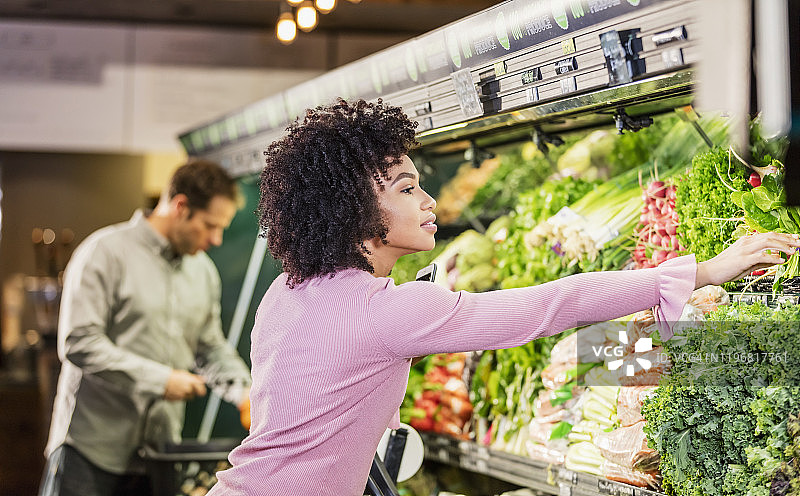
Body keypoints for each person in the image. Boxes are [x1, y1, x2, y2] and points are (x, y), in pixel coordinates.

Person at [208, 99, 800, 496]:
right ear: (352, 210)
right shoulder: (389, 311)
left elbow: (312, 405)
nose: (429, 202)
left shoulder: (284, 294)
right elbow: (549, 306)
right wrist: (700, 271)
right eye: (407, 188)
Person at [40, 159, 253, 496]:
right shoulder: (104, 253)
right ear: (180, 206)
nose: (216, 239)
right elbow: (79, 343)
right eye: (210, 226)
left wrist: (244, 394)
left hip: (160, 454)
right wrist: (162, 380)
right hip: (89, 451)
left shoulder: (204, 273)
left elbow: (210, 347)